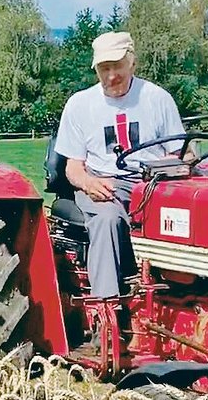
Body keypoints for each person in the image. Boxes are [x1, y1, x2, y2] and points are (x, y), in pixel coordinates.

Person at [53, 31, 185, 300]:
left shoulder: (157, 98)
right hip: (103, 182)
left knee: (185, 221)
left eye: (117, 66)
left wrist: (172, 164)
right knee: (108, 218)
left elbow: (181, 154)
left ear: (132, 63)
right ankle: (108, 305)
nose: (111, 75)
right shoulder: (80, 105)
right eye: (104, 68)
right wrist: (89, 183)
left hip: (152, 183)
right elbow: (73, 168)